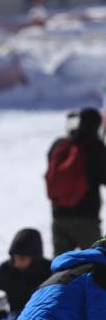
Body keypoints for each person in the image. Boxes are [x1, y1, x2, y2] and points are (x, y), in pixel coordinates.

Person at [45, 108, 106, 255]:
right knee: (96, 266)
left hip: (59, 216)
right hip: (86, 219)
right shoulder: (95, 147)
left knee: (61, 268)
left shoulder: (60, 144)